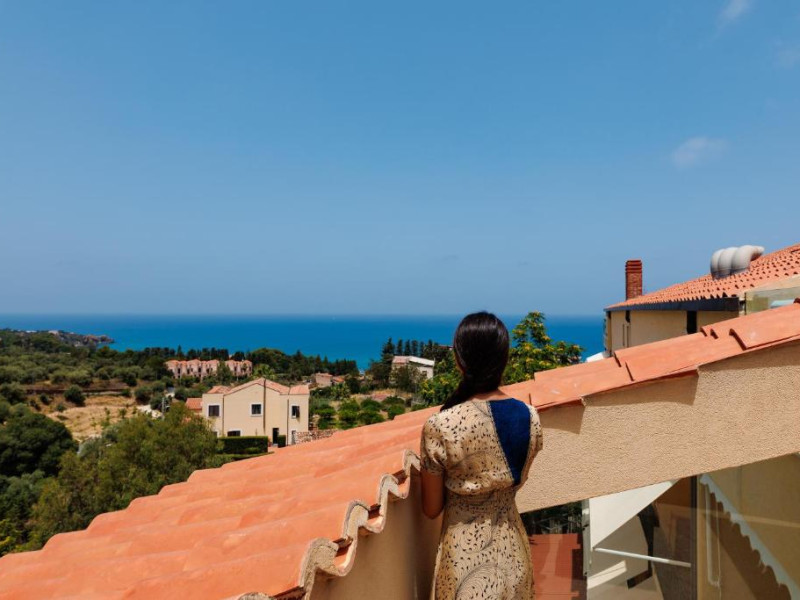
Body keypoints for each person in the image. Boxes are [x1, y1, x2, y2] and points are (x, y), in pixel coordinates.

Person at [420, 311, 543, 599]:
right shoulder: (530, 417)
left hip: (464, 559)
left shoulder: (441, 425)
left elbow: (431, 508)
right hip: (513, 553)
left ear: (459, 361)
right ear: (505, 359)